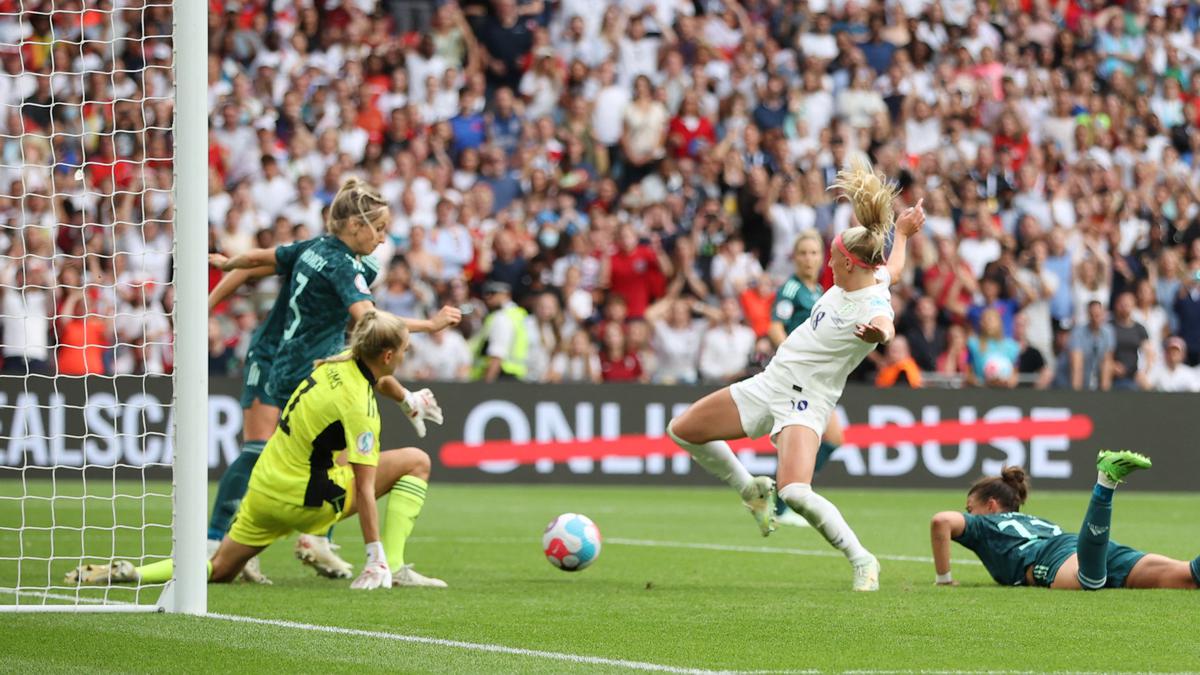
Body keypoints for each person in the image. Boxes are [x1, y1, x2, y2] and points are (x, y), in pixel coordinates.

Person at [665, 156, 925, 591]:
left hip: (806, 400)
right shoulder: (867, 278)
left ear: (850, 264)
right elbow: (892, 267)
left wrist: (879, 333)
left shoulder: (874, 304)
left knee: (796, 492)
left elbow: (886, 324)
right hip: (769, 382)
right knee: (682, 430)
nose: (828, 264)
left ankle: (862, 560)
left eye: (833, 258)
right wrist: (905, 232)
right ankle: (750, 490)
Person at [68, 312, 449, 589]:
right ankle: (393, 566)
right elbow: (365, 489)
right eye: (404, 350)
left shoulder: (337, 363)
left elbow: (378, 380)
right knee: (416, 461)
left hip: (266, 488)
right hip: (309, 500)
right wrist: (374, 557)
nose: (405, 356)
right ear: (387, 355)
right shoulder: (362, 409)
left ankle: (134, 573)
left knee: (218, 569)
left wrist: (406, 398)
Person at [206, 178, 460, 580]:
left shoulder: (313, 248)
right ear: (355, 226)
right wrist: (429, 325)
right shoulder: (345, 266)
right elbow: (372, 327)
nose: (383, 238)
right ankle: (229, 537)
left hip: (306, 363)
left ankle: (305, 536)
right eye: (378, 228)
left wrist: (229, 261)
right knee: (305, 458)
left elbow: (261, 258)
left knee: (304, 456)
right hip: (300, 365)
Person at [929, 452, 1199, 591]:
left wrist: (944, 579)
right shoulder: (1034, 520)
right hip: (1083, 547)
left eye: (969, 508)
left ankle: (1105, 482)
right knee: (1190, 577)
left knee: (1088, 583)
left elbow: (941, 520)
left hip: (1055, 557)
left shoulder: (986, 524)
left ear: (991, 506)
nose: (967, 514)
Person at [469, 280, 529, 381]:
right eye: (486, 293)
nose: (487, 297)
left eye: (492, 293)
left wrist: (486, 384)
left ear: (506, 294)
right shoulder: (518, 315)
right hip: (516, 377)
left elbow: (497, 355)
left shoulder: (501, 317)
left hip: (500, 377)